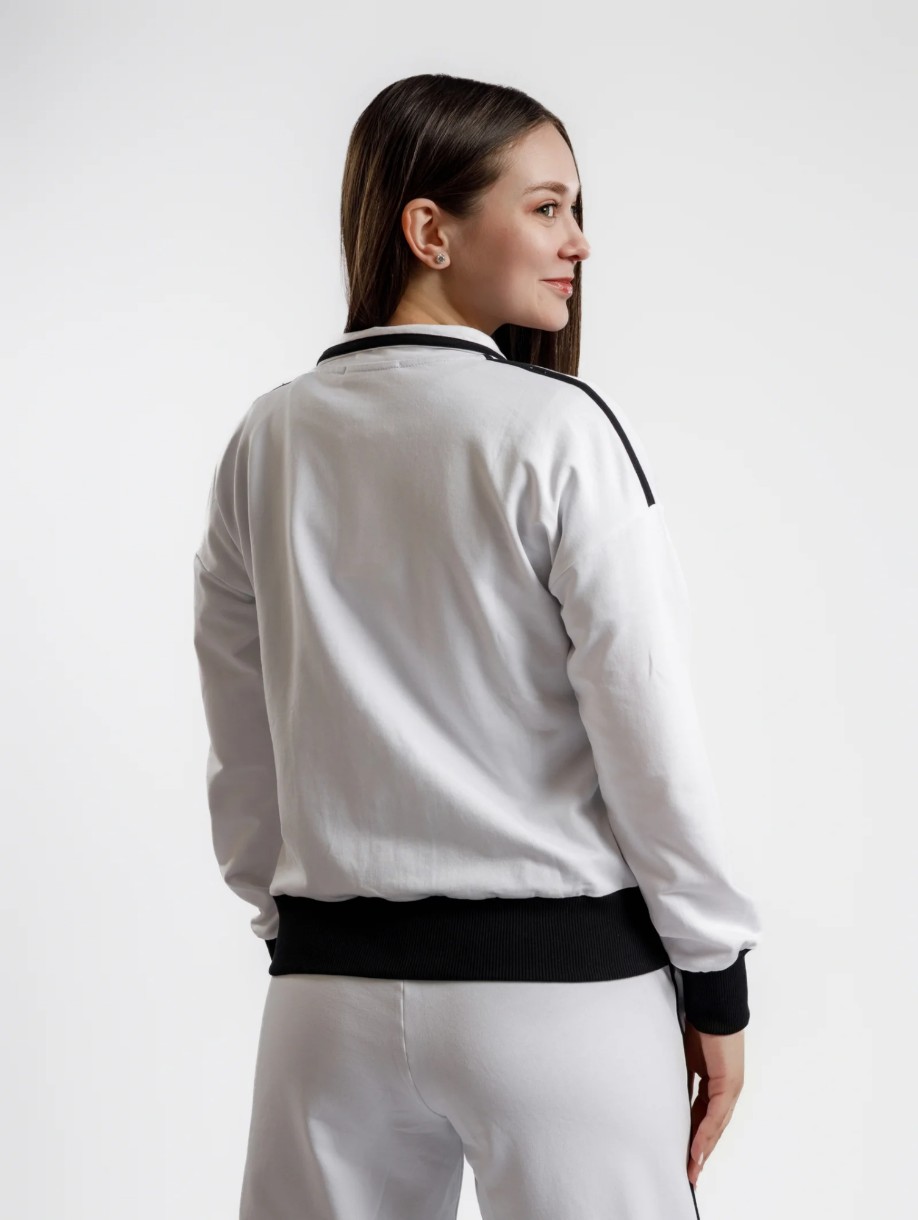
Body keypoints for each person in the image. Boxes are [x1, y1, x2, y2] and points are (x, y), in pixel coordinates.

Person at [192, 72, 764, 1220]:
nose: (579, 241)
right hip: (561, 1002)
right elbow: (644, 725)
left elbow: (240, 732)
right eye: (546, 207)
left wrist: (295, 922)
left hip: (325, 1006)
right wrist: (715, 976)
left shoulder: (269, 435)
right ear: (430, 230)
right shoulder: (558, 429)